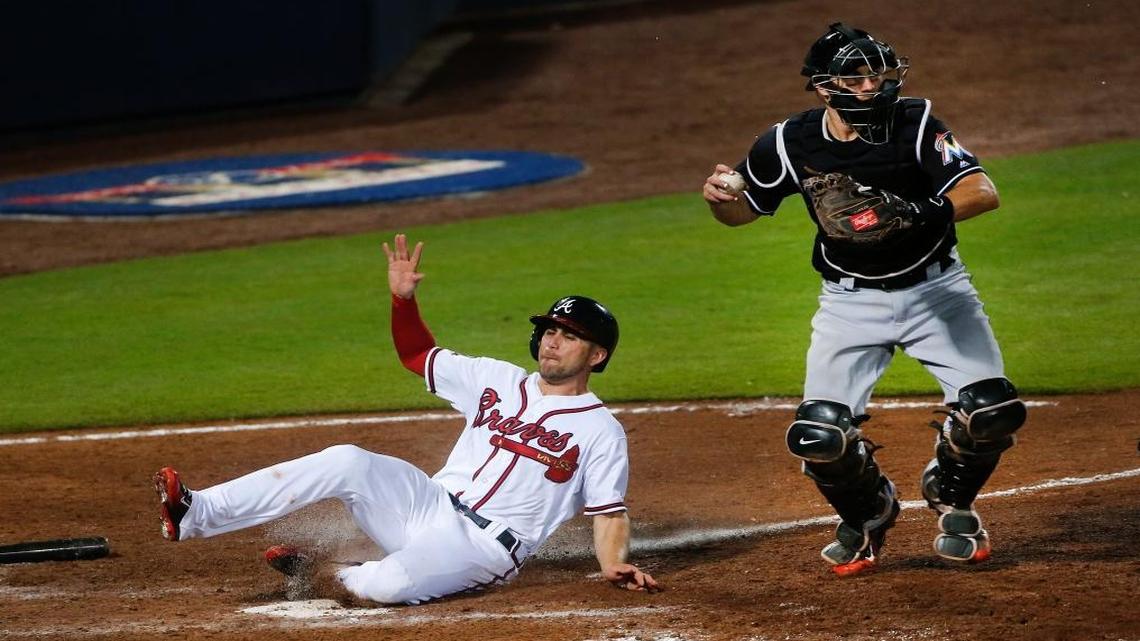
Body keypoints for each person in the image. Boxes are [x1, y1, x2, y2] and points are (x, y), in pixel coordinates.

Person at [153, 233, 659, 603]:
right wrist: (403, 300)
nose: (552, 340)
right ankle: (197, 513)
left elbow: (609, 511)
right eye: (550, 329)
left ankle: (330, 572)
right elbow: (418, 355)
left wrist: (613, 563)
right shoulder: (496, 378)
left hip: (484, 548)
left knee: (387, 586)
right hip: (427, 503)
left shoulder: (600, 430)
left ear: (596, 356)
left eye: (568, 335)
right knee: (348, 460)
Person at [702, 22, 1026, 576]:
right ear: (825, 87)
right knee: (818, 434)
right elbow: (743, 210)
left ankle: (952, 496)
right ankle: (868, 510)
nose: (873, 88)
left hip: (937, 292)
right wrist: (718, 200)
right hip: (850, 304)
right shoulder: (787, 142)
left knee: (991, 412)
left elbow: (981, 191)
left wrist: (920, 211)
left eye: (880, 74)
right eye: (857, 78)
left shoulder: (917, 123)